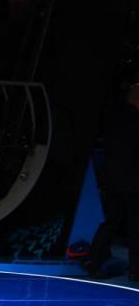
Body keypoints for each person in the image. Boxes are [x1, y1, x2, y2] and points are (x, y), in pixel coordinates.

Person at [85, 78, 139, 280]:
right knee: (134, 226)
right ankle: (135, 270)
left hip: (114, 179)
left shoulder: (114, 116)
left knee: (112, 221)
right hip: (132, 181)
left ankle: (93, 260)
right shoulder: (133, 120)